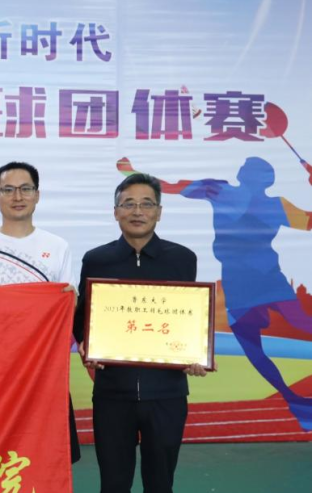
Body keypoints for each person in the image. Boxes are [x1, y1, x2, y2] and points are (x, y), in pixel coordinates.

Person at [73, 173, 209, 493]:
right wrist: (87, 345)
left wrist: (193, 353)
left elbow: (187, 319)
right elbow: (82, 318)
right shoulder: (97, 259)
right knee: (113, 487)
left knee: (160, 486)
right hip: (112, 393)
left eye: (146, 203)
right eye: (128, 203)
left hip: (166, 393)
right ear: (115, 212)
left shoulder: (181, 258)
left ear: (159, 212)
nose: (137, 211)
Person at [119, 156, 312, 429]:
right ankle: (294, 401)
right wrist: (132, 172)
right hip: (240, 283)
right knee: (254, 344)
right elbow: (168, 187)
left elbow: (309, 222)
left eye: (253, 170)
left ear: (262, 179)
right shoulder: (220, 189)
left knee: (292, 329)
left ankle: (294, 401)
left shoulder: (266, 202)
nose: (246, 171)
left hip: (266, 278)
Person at [0, 161, 79, 463]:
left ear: (37, 195)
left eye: (25, 189)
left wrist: (68, 301)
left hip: (43, 371)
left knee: (47, 456)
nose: (18, 197)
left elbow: (66, 312)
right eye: (8, 190)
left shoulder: (57, 246)